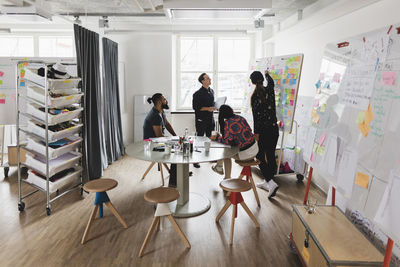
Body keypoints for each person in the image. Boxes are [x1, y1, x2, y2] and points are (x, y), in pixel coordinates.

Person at [250, 70, 280, 199]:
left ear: (252, 82)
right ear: (262, 79)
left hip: (263, 131)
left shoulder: (255, 96)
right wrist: (267, 74)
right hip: (274, 129)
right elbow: (272, 83)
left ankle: (270, 182)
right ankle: (269, 181)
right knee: (270, 155)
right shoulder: (270, 91)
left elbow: (256, 117)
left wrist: (256, 133)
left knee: (259, 156)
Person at [210, 105, 258, 180]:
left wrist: (216, 138)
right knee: (228, 149)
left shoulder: (228, 123)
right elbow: (248, 131)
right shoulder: (240, 118)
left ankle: (226, 176)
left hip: (247, 155)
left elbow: (227, 142)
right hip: (255, 149)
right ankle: (218, 167)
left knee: (225, 153)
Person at [143, 93, 178, 187]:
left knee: (177, 145)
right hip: (151, 145)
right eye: (164, 99)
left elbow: (167, 124)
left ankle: (176, 174)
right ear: (159, 102)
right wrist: (174, 142)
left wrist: (176, 137)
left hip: (157, 141)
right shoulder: (155, 115)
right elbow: (159, 136)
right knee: (176, 150)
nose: (166, 101)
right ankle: (173, 181)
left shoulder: (161, 111)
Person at [192, 73, 216, 168]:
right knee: (199, 140)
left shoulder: (212, 91)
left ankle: (209, 157)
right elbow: (196, 107)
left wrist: (215, 106)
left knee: (210, 138)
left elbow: (211, 103)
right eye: (207, 78)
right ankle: (196, 160)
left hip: (210, 119)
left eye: (209, 77)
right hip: (201, 120)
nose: (210, 79)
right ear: (202, 81)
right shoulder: (197, 94)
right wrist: (207, 108)